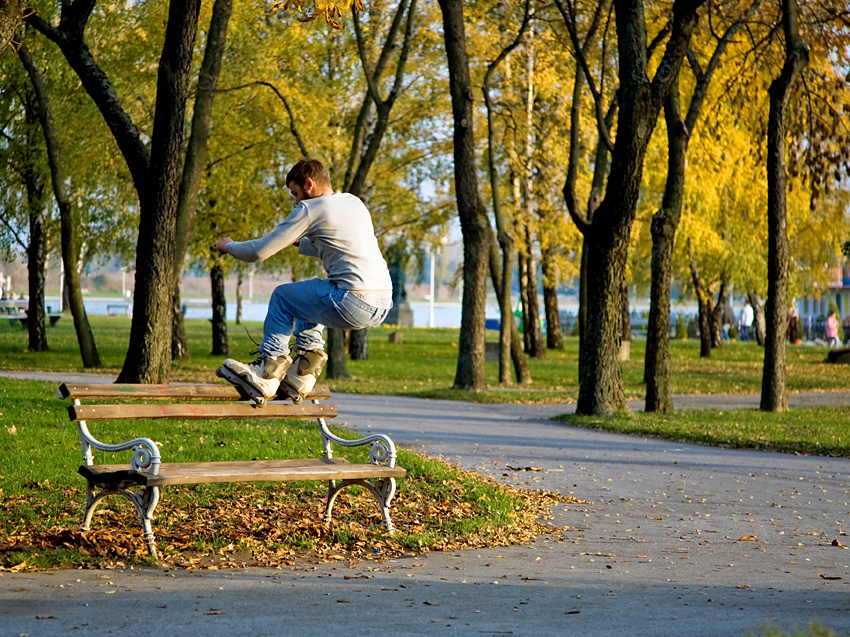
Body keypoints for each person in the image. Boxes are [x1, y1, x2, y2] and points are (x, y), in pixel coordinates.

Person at [214, 158, 393, 405]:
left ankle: (269, 371)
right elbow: (339, 246)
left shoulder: (311, 209)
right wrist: (302, 242)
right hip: (382, 303)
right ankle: (304, 371)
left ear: (309, 183)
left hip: (352, 298)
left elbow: (258, 252)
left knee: (283, 297)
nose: (296, 201)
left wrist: (229, 246)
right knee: (309, 295)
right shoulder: (354, 202)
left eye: (296, 193)